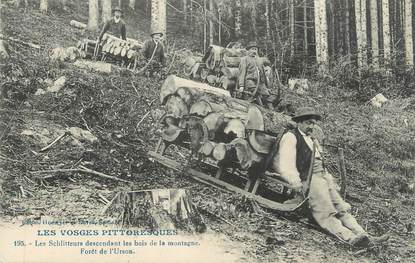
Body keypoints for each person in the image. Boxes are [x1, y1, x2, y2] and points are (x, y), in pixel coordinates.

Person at [272, 107, 389, 248]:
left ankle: (365, 236)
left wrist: (330, 181)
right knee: (326, 212)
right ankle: (350, 238)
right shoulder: (291, 137)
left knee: (341, 209)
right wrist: (294, 181)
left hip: (322, 177)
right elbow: (285, 162)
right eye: (309, 123)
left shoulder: (312, 140)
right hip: (308, 179)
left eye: (313, 123)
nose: (312, 126)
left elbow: (320, 163)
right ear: (300, 122)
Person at [238, 41, 273, 108]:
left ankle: (272, 111)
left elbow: (263, 73)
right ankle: (259, 107)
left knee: (267, 95)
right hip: (249, 81)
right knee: (256, 94)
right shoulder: (244, 59)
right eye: (252, 49)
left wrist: (267, 86)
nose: (254, 51)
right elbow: (242, 73)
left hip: (260, 82)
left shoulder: (259, 60)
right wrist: (241, 86)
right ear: (248, 50)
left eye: (255, 49)